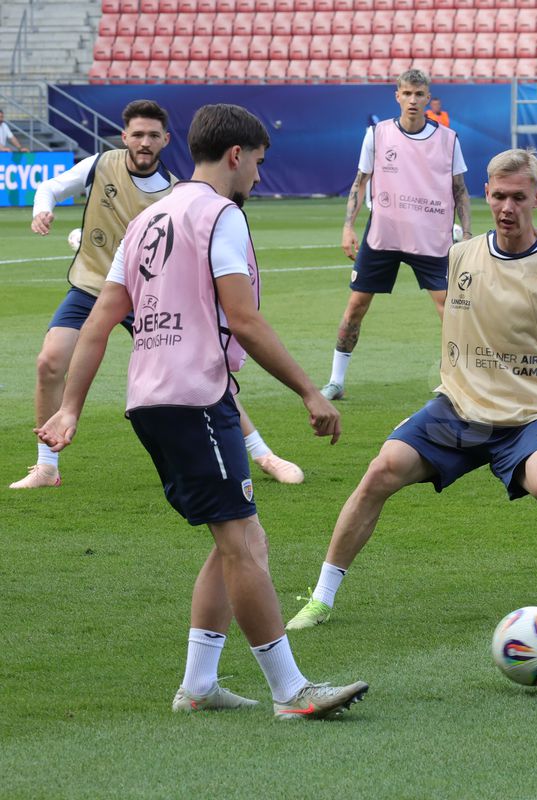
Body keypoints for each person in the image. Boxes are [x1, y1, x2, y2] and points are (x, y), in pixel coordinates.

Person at [37, 103, 370, 717]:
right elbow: (244, 318)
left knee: (238, 537)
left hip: (152, 399)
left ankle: (198, 686)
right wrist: (309, 391)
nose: (259, 178)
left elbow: (100, 321)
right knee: (242, 542)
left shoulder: (146, 219)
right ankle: (291, 691)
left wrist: (71, 408)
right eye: (258, 164)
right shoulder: (221, 215)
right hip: (193, 396)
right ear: (236, 156)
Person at [286, 148, 537, 630]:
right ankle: (321, 598)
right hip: (459, 408)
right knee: (380, 470)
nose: (507, 207)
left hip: (528, 415)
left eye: (518, 197)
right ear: (486, 193)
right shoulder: (461, 255)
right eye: (499, 196)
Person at [15, 99, 304, 489]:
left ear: (166, 140)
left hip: (148, 292)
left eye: (153, 135)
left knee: (200, 369)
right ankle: (47, 466)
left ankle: (262, 452)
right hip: (92, 285)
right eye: (138, 134)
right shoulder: (101, 164)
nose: (145, 142)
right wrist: (42, 209)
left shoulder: (175, 193)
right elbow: (51, 186)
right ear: (124, 137)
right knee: (49, 362)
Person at [321, 69, 471, 401]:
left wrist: (468, 234)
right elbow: (360, 182)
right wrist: (348, 227)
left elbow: (460, 190)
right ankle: (335, 381)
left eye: (419, 94)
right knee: (356, 306)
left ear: (428, 97)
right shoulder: (377, 134)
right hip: (384, 233)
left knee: (449, 308)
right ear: (397, 96)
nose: (413, 100)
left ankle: (460, 382)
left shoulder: (448, 139)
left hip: (430, 235)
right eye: (407, 94)